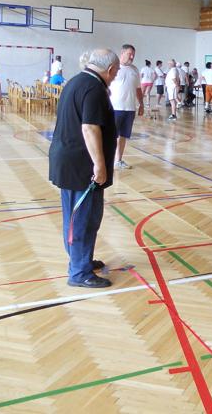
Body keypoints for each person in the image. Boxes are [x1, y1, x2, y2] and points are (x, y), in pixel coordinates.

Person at [49, 48, 119, 289]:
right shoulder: (93, 88)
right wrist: (100, 164)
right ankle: (79, 272)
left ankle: (81, 260)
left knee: (84, 217)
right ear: (110, 69)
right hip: (81, 166)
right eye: (116, 72)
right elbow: (89, 128)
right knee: (81, 220)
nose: (115, 76)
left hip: (71, 161)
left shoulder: (77, 81)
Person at [110, 44, 144, 169]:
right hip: (114, 108)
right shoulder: (113, 67)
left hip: (129, 109)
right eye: (129, 54)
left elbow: (138, 89)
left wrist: (141, 104)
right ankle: (105, 161)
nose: (132, 57)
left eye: (133, 54)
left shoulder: (135, 70)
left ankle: (118, 160)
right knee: (110, 136)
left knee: (123, 135)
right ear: (122, 53)